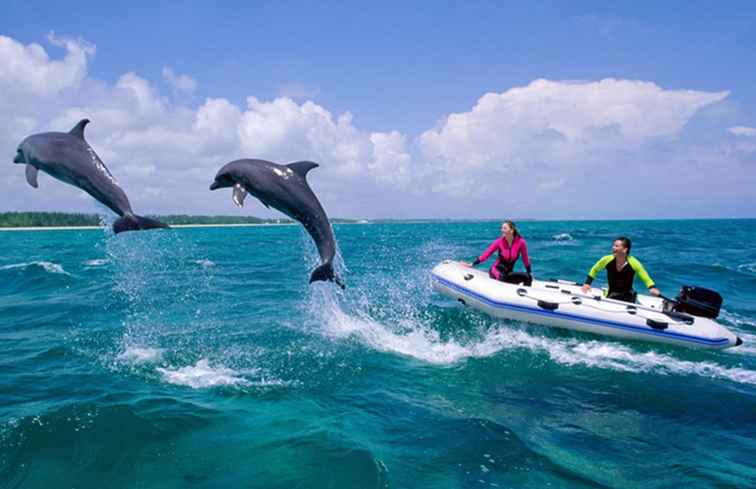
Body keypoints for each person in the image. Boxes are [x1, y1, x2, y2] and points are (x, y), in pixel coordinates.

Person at [581, 236, 661, 302]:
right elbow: (595, 269)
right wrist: (588, 283)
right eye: (613, 245)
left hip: (628, 295)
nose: (613, 248)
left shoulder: (634, 262)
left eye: (616, 246)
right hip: (611, 294)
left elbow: (645, 277)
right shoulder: (606, 259)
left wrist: (652, 288)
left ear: (625, 249)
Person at [466, 220, 533, 285]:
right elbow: (486, 254)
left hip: (508, 273)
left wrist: (529, 272)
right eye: (501, 228)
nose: (502, 230)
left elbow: (525, 259)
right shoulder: (499, 241)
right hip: (496, 270)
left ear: (512, 230)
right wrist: (473, 264)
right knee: (502, 278)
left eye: (504, 228)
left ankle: (524, 294)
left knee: (528, 277)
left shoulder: (521, 242)